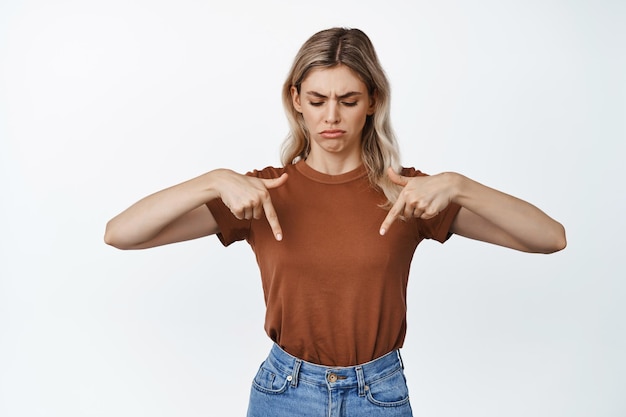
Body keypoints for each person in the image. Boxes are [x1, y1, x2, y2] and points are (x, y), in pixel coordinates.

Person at [104, 27, 566, 417]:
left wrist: (461, 185)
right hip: (283, 392)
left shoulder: (407, 194)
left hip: (378, 393)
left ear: (372, 101)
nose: (331, 116)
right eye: (317, 98)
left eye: (347, 100)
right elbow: (121, 234)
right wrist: (210, 181)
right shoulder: (262, 193)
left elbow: (549, 238)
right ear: (296, 100)